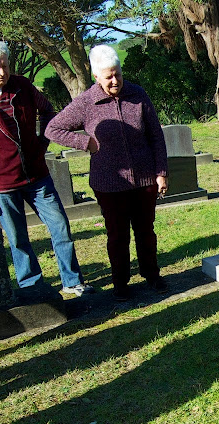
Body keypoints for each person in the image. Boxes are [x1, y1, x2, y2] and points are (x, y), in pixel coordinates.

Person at [0, 40, 92, 297]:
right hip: (1, 183)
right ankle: (32, 289)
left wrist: (41, 144)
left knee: (60, 226)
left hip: (37, 176)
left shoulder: (23, 86)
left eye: (5, 66)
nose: (2, 73)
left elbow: (49, 112)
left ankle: (72, 280)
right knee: (18, 238)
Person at [45, 45, 168, 302]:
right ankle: (120, 282)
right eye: (108, 76)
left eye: (118, 74)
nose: (115, 81)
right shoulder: (86, 102)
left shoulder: (137, 94)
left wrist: (161, 172)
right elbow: (53, 129)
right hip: (109, 183)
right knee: (117, 235)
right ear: (96, 76)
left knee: (146, 231)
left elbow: (156, 135)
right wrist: (85, 142)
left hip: (144, 178)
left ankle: (151, 274)